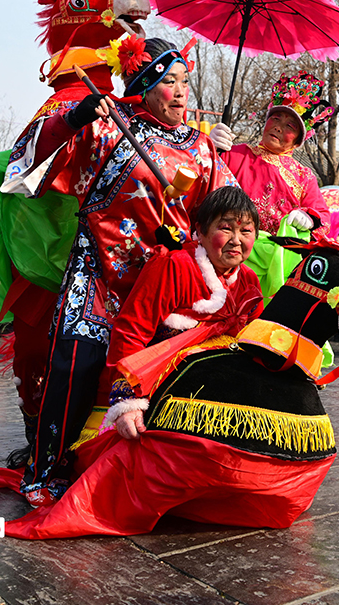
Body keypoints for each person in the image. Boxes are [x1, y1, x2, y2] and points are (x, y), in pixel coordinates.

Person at [19, 37, 236, 505]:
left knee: (159, 379)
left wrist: (226, 160)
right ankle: (45, 471)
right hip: (98, 270)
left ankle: (145, 471)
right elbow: (27, 154)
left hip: (163, 282)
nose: (180, 92)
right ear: (143, 85)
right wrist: (73, 117)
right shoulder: (111, 127)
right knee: (74, 364)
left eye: (184, 81)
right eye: (168, 81)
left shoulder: (202, 147)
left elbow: (228, 211)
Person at [107, 186, 263, 439]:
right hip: (160, 387)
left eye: (246, 231)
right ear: (200, 231)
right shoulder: (172, 266)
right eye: (226, 228)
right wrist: (129, 403)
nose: (237, 240)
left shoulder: (249, 280)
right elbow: (131, 332)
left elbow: (255, 341)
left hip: (219, 391)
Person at [209, 71, 331, 236]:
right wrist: (209, 149)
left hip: (278, 256)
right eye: (275, 118)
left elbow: (323, 220)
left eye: (290, 126)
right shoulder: (235, 154)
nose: (278, 127)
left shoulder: (304, 177)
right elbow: (201, 182)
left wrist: (309, 219)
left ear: (297, 141)